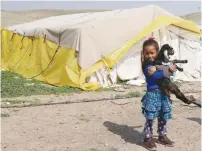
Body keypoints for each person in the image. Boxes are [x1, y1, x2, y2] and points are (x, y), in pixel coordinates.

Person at [141, 37, 177, 151]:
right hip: (152, 95)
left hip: (163, 94)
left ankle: (162, 135)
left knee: (163, 115)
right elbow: (156, 76)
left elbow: (168, 75)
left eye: (152, 53)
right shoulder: (147, 66)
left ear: (157, 52)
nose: (149, 56)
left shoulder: (159, 64)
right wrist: (169, 70)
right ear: (144, 54)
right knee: (150, 117)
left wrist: (169, 71)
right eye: (147, 53)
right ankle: (148, 138)